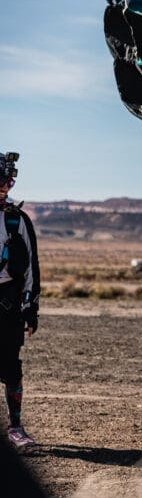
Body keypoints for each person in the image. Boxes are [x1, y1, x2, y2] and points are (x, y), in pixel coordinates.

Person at [0, 151, 40, 448]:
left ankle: (15, 427)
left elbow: (31, 269)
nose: (5, 188)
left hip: (8, 304)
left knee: (11, 366)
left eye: (8, 182)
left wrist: (31, 308)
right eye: (2, 182)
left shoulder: (17, 219)